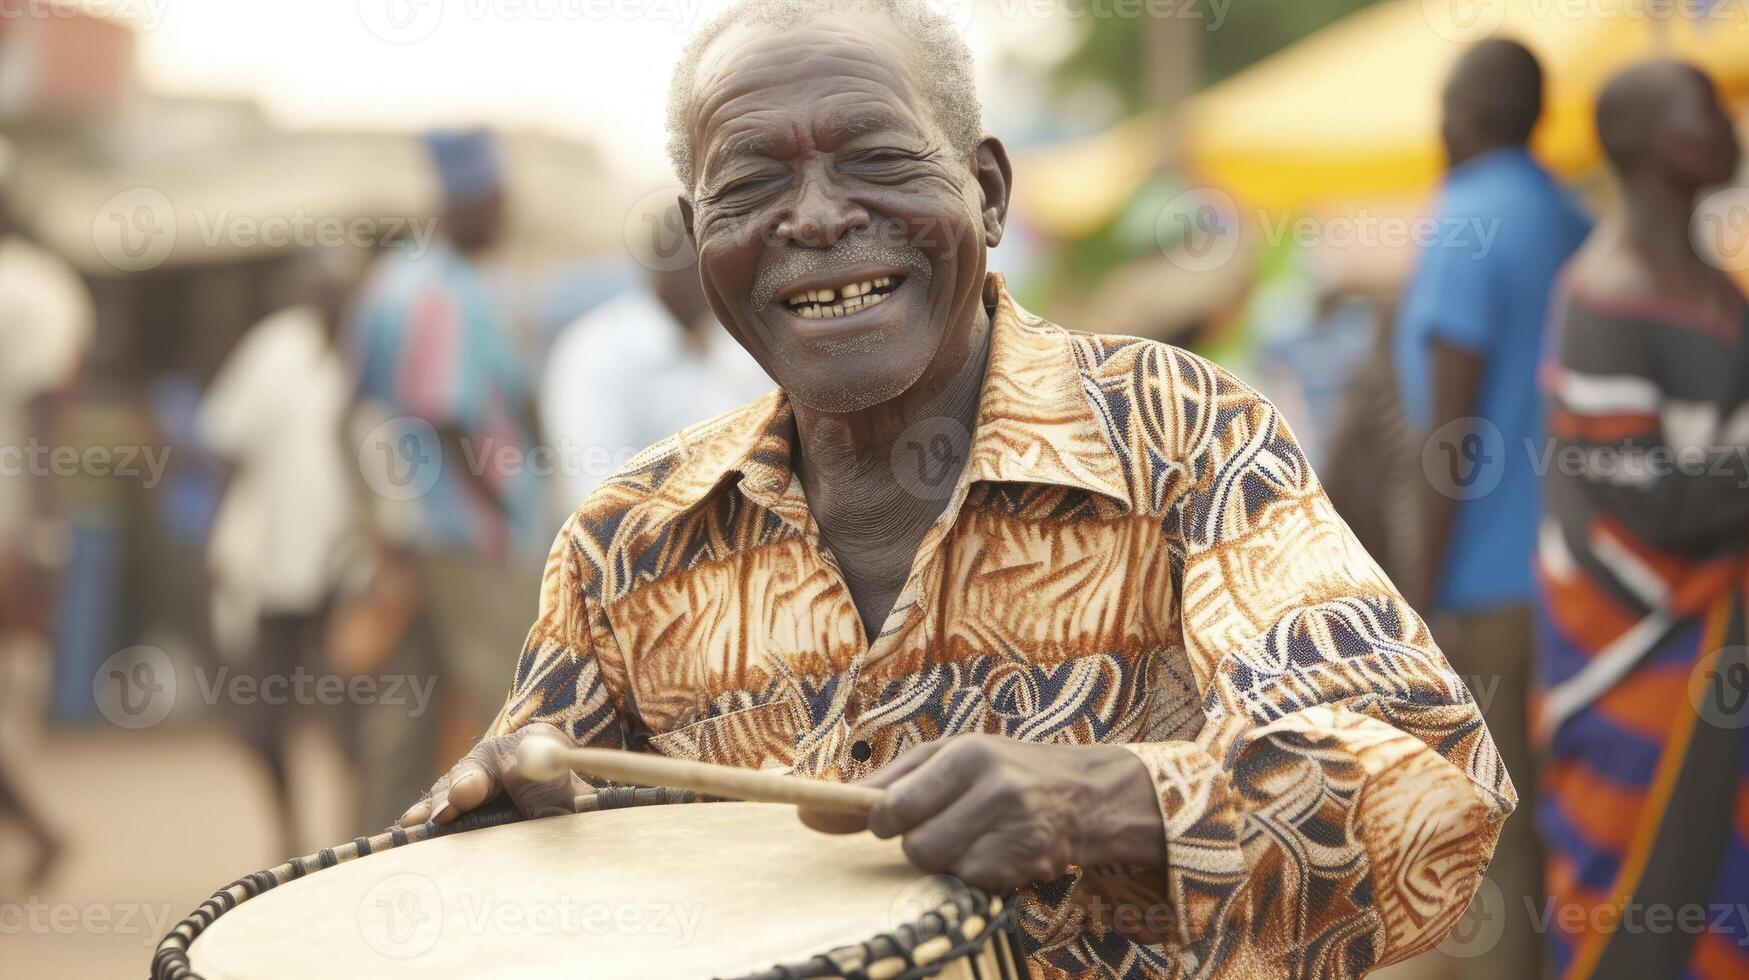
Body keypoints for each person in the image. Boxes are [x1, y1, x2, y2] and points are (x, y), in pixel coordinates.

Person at [401, 2, 1513, 975]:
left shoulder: (1182, 436)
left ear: (985, 192)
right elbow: (531, 904)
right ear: (700, 243)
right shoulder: (624, 542)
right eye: (751, 184)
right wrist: (510, 841)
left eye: (878, 159)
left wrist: (1099, 800)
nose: (818, 216)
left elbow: (1434, 797)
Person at [1536, 60, 1749, 977]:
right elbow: (1645, 498)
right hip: (1629, 645)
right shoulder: (1603, 295)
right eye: (1701, 106)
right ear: (1642, 142)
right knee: (1630, 900)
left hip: (1719, 634)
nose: (1726, 123)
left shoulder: (1719, 291)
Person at [1392, 38, 1591, 976]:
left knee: (1491, 835)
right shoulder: (1569, 216)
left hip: (1485, 587)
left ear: (1470, 112)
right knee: (1564, 820)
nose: (1435, 121)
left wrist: (1416, 601)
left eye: (1442, 102)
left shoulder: (1466, 216)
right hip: (1581, 577)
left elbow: (1452, 434)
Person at [344, 128, 545, 826]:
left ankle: (364, 854)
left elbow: (354, 407)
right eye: (499, 200)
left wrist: (374, 518)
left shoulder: (397, 280)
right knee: (512, 704)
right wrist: (497, 513)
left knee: (407, 710)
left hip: (416, 528)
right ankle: (522, 862)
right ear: (472, 200)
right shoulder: (441, 294)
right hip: (470, 533)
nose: (505, 215)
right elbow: (447, 417)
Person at [201, 248, 358, 856]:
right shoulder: (272, 350)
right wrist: (219, 541)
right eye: (317, 287)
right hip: (273, 566)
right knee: (261, 722)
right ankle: (288, 837)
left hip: (349, 571)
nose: (328, 299)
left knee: (358, 719)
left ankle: (353, 839)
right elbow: (223, 441)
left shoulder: (370, 349)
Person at [540, 209, 770, 510]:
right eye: (697, 264)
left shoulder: (735, 343)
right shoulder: (597, 352)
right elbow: (596, 490)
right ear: (660, 265)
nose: (714, 278)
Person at [0, 137, 90, 890]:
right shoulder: (40, 289)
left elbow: (41, 419)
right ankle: (38, 830)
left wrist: (34, 534)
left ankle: (38, 831)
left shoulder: (31, 290)